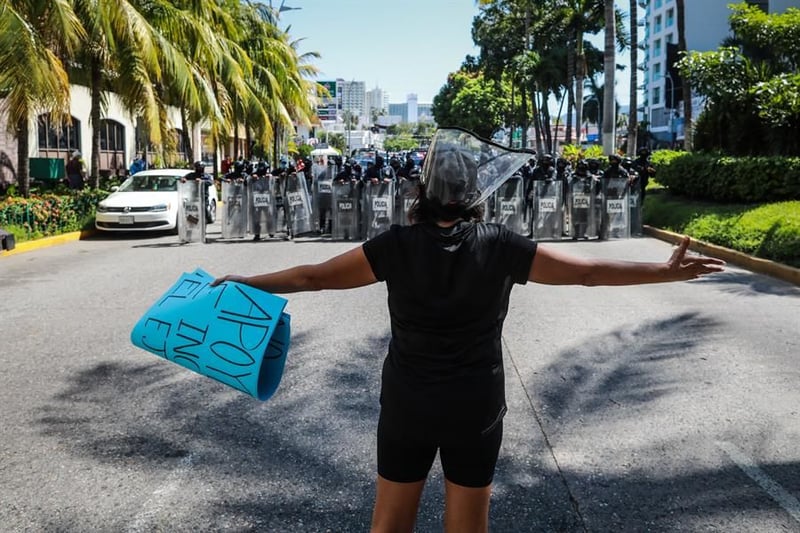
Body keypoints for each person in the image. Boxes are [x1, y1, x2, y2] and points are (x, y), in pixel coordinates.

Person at [211, 127, 724, 533]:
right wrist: (663, 270)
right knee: (469, 525)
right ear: (474, 190)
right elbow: (587, 271)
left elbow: (311, 278)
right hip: (475, 406)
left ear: (423, 189)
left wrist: (246, 281)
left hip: (408, 404)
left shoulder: (396, 244)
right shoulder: (501, 245)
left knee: (388, 524)